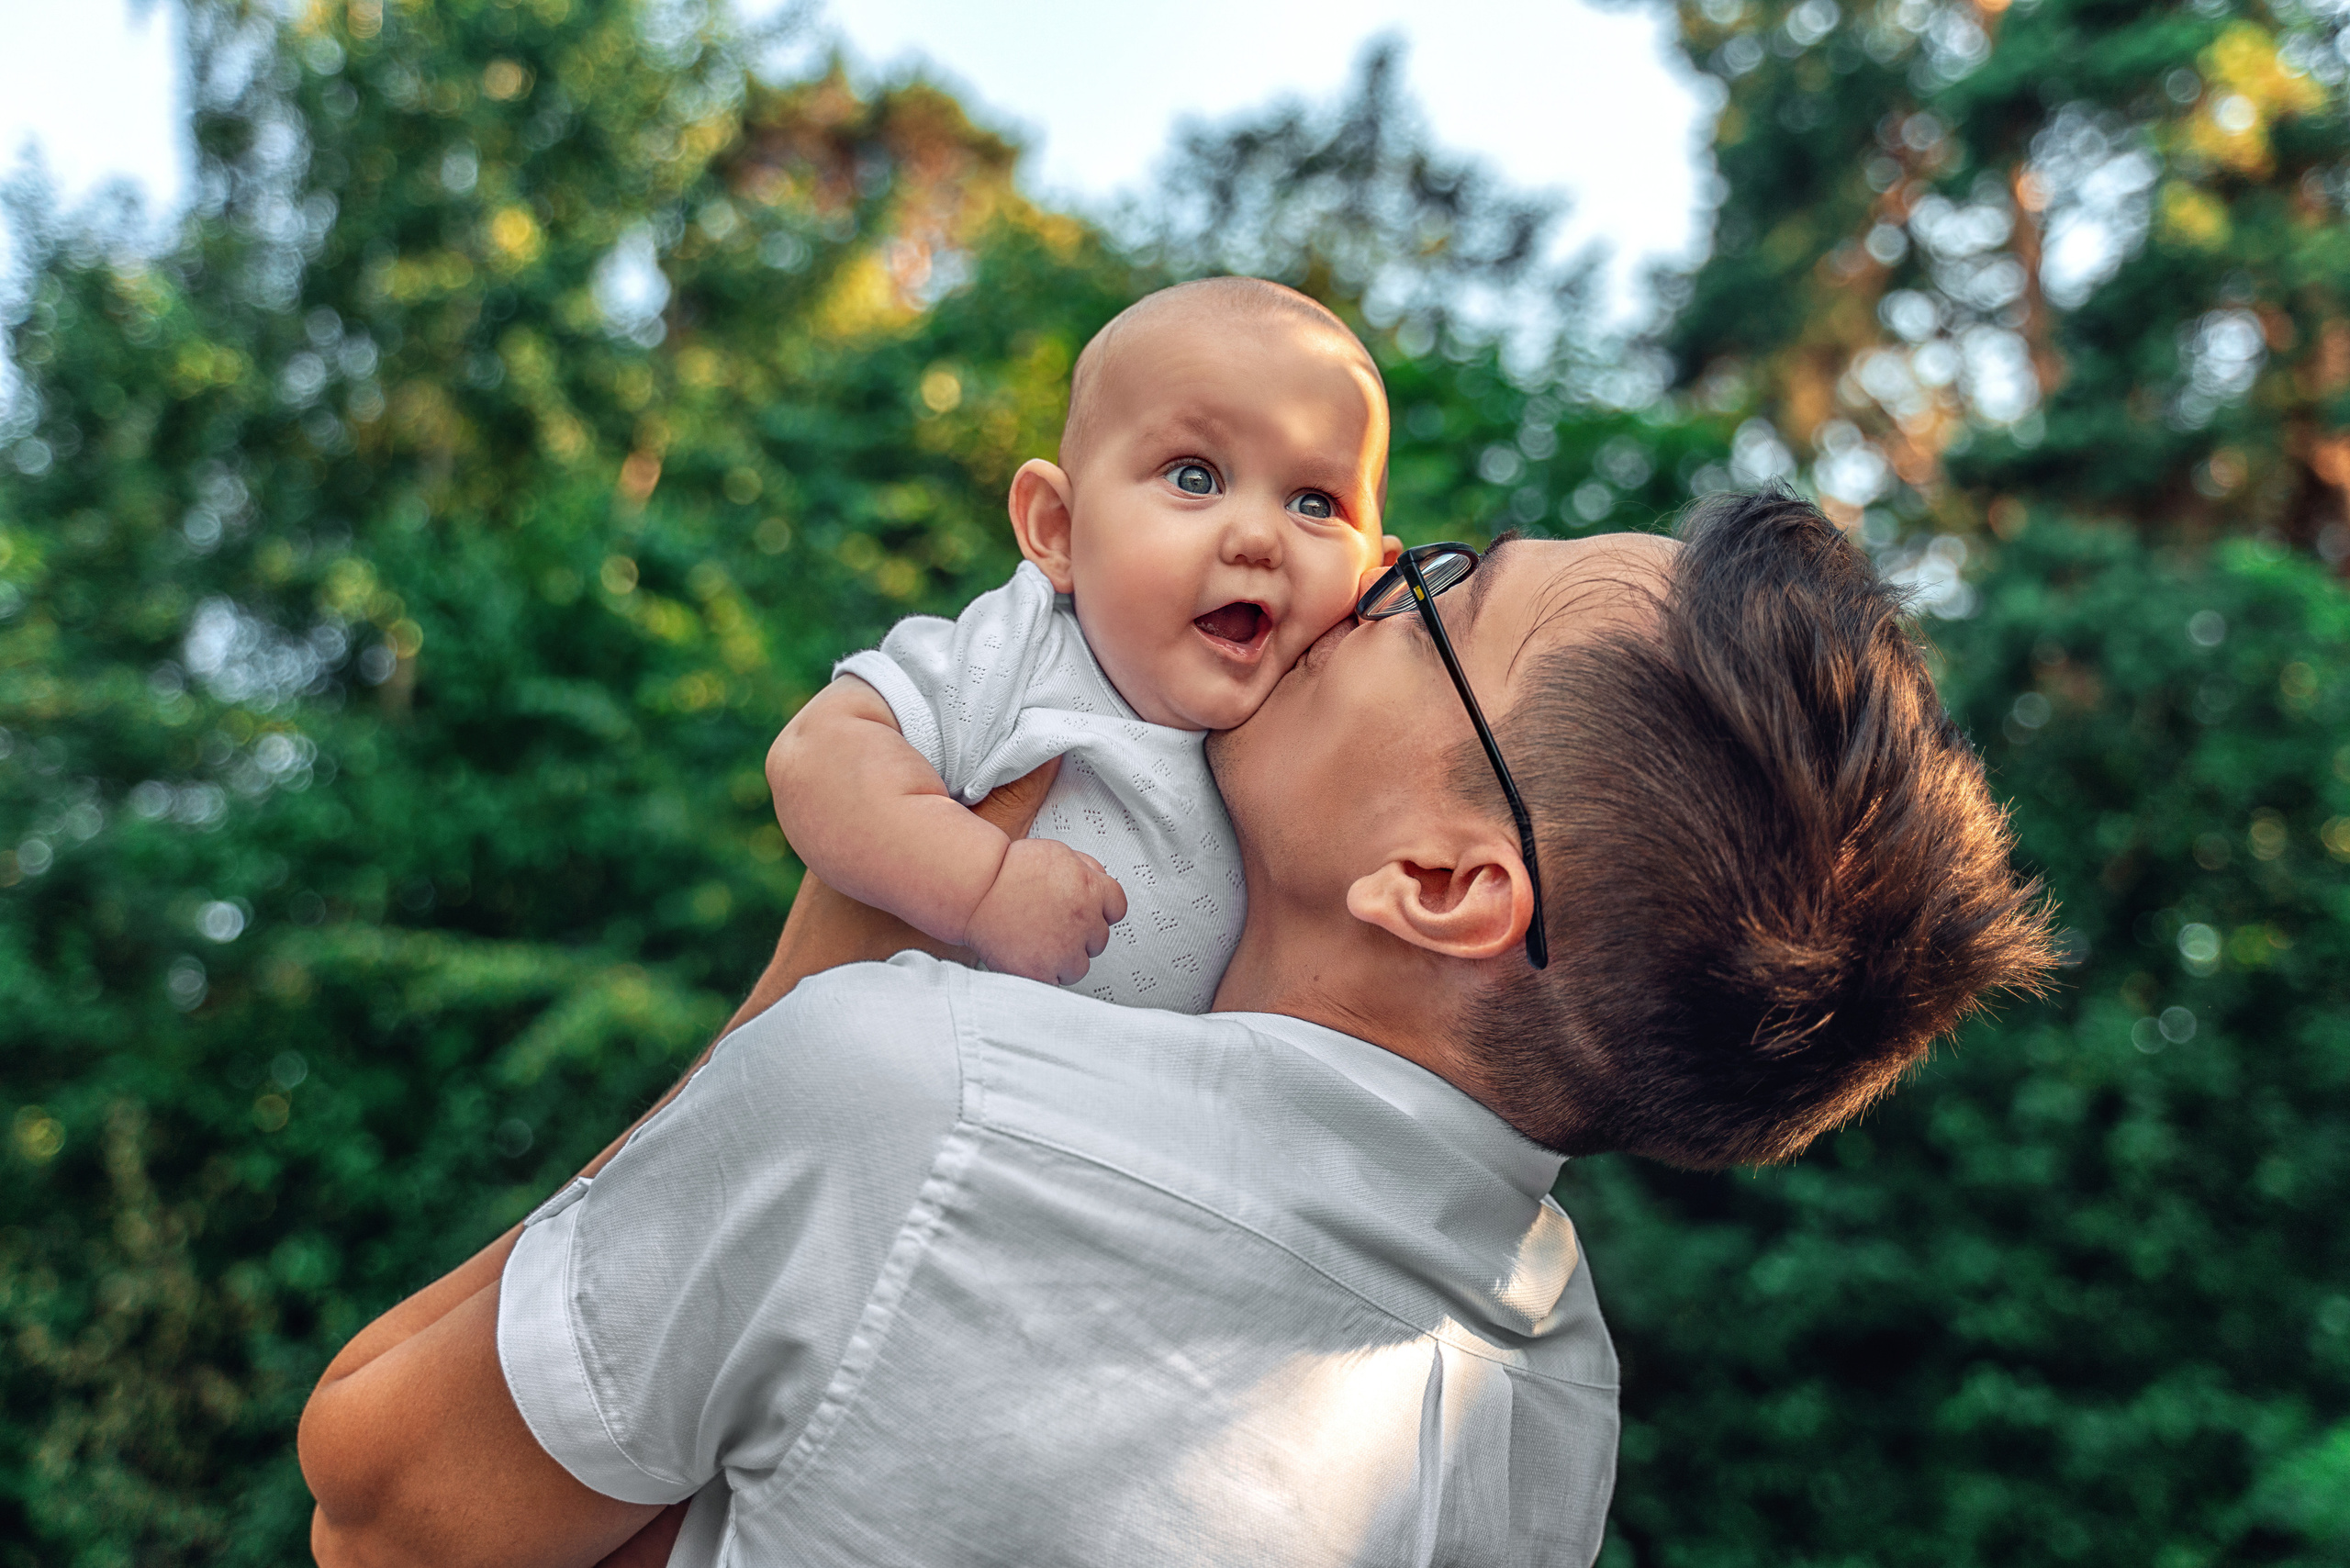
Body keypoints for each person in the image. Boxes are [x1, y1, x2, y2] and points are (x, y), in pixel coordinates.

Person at [297, 491, 2056, 1567]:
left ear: (1448, 881)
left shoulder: (912, 1093)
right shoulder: (1555, 1408)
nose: (1352, 572)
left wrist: (813, 986)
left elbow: (377, 1504)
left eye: (1434, 594)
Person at [770, 275, 1400, 1011]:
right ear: (1058, 530)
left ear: (1376, 578)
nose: (1259, 538)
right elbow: (819, 752)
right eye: (1195, 478)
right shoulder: (1020, 653)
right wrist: (978, 885)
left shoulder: (1328, 747)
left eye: (1315, 503)